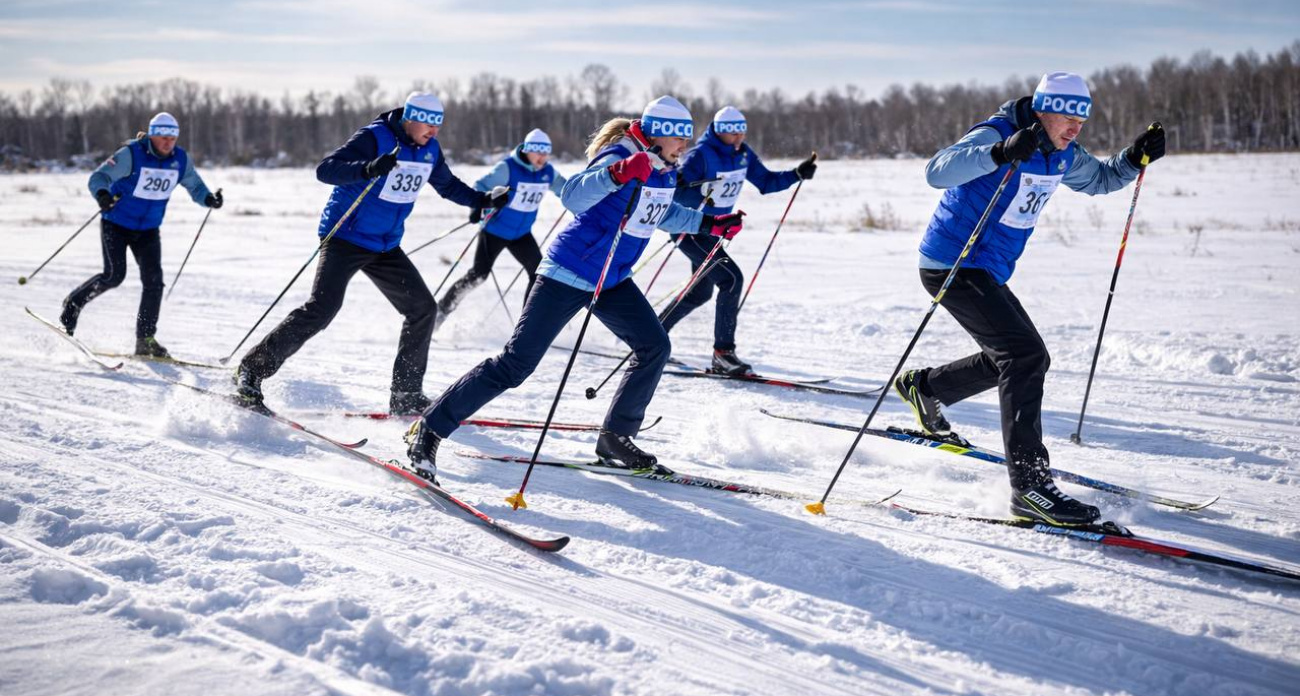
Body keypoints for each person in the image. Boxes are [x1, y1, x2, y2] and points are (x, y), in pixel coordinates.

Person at [404, 96, 745, 484]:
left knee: (655, 346)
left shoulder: (664, 168)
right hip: (567, 271)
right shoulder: (620, 154)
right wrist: (618, 173)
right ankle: (428, 429)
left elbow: (661, 212)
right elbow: (573, 197)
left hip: (611, 279)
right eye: (680, 139)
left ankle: (616, 439)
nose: (685, 147)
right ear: (659, 135)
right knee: (516, 363)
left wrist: (710, 224)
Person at [896, 72, 1165, 525]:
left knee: (1018, 355)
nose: (1077, 128)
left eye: (1083, 119)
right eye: (1069, 117)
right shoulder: (998, 131)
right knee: (1024, 356)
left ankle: (927, 388)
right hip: (952, 264)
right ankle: (1030, 488)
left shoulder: (1062, 154)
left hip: (989, 269)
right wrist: (1000, 153)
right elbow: (937, 171)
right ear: (1043, 109)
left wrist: (1132, 159)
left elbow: (1099, 180)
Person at [234, 92, 509, 415]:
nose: (433, 132)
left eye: (439, 125)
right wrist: (367, 168)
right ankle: (251, 371)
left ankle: (405, 394)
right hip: (346, 237)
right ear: (410, 118)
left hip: (385, 244)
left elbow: (448, 186)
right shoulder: (375, 137)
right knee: (322, 309)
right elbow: (326, 170)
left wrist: (483, 200)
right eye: (428, 124)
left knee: (423, 309)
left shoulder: (429, 150)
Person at [663, 106, 816, 375]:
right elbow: (676, 193)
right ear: (720, 131)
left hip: (714, 233)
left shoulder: (742, 154)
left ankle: (650, 335)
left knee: (700, 292)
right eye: (733, 132)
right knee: (731, 279)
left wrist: (796, 174)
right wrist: (694, 188)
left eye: (742, 131)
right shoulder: (701, 155)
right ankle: (723, 354)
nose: (739, 137)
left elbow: (766, 182)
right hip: (692, 230)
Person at [61, 112, 221, 357]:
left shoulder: (180, 159)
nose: (168, 142)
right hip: (116, 223)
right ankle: (74, 303)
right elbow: (99, 177)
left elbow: (195, 185)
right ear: (152, 135)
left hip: (148, 229)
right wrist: (102, 194)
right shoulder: (132, 154)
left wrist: (208, 198)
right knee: (114, 276)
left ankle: (145, 339)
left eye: (172, 137)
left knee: (154, 282)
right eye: (163, 137)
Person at [435, 128, 566, 324]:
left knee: (538, 275)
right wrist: (476, 206)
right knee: (479, 275)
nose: (542, 158)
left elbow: (566, 191)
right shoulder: (508, 167)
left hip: (522, 234)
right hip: (495, 230)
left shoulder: (548, 172)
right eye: (539, 153)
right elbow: (481, 185)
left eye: (546, 154)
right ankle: (441, 311)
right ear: (528, 150)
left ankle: (528, 327)